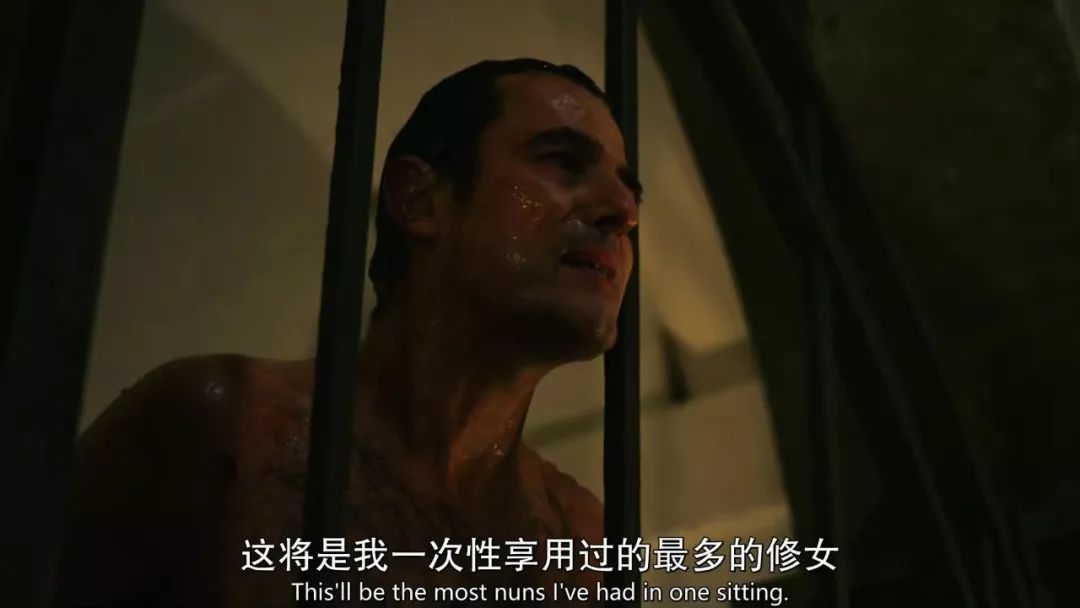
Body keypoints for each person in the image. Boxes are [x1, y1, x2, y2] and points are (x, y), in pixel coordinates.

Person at [55, 58, 642, 607]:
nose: (624, 210)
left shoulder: (586, 546)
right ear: (419, 200)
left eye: (629, 190)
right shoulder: (221, 428)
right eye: (562, 161)